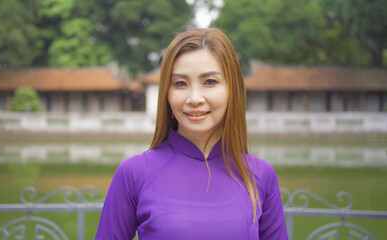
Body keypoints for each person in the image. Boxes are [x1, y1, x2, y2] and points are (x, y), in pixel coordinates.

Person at [95, 28, 288, 240]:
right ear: (166, 93)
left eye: (210, 82)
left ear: (232, 88)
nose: (194, 98)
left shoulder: (260, 176)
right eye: (180, 83)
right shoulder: (134, 174)